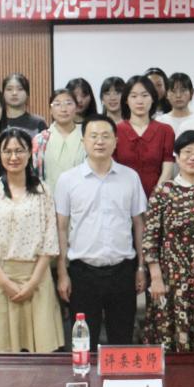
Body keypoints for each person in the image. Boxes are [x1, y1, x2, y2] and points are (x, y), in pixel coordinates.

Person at [54, 114, 147, 349]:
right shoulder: (67, 180)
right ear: (83, 141)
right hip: (82, 273)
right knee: (84, 345)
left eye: (106, 136)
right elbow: (61, 228)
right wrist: (63, 273)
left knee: (121, 342)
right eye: (93, 136)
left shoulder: (130, 177)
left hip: (122, 271)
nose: (99, 141)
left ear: (116, 141)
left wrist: (140, 267)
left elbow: (139, 224)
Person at [0, 129, 64, 352]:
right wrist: (5, 283)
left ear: (29, 153)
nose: (13, 157)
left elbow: (50, 241)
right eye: (7, 151)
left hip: (37, 279)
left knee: (41, 351)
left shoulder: (43, 190)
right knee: (1, 352)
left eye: (19, 150)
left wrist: (32, 283)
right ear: (0, 154)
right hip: (0, 279)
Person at [142, 130, 194, 352]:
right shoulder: (163, 191)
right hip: (169, 279)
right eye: (187, 151)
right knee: (168, 336)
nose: (193, 157)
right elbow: (150, 236)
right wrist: (155, 277)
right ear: (177, 156)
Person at [114, 76, 175, 197]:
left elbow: (168, 168)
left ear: (153, 98)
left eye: (145, 95)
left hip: (157, 197)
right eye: (134, 96)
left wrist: (155, 197)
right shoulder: (115, 130)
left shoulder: (165, 130)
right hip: (122, 196)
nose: (139, 101)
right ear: (126, 100)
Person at [31, 88, 86, 195]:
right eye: (57, 104)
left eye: (68, 103)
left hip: (82, 199)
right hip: (48, 199)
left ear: (76, 108)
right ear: (50, 110)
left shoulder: (86, 136)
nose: (63, 109)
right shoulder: (40, 140)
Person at [1, 72, 47, 136]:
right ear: (3, 94)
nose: (14, 93)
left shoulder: (38, 123)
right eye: (9, 89)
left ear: (27, 94)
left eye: (20, 89)